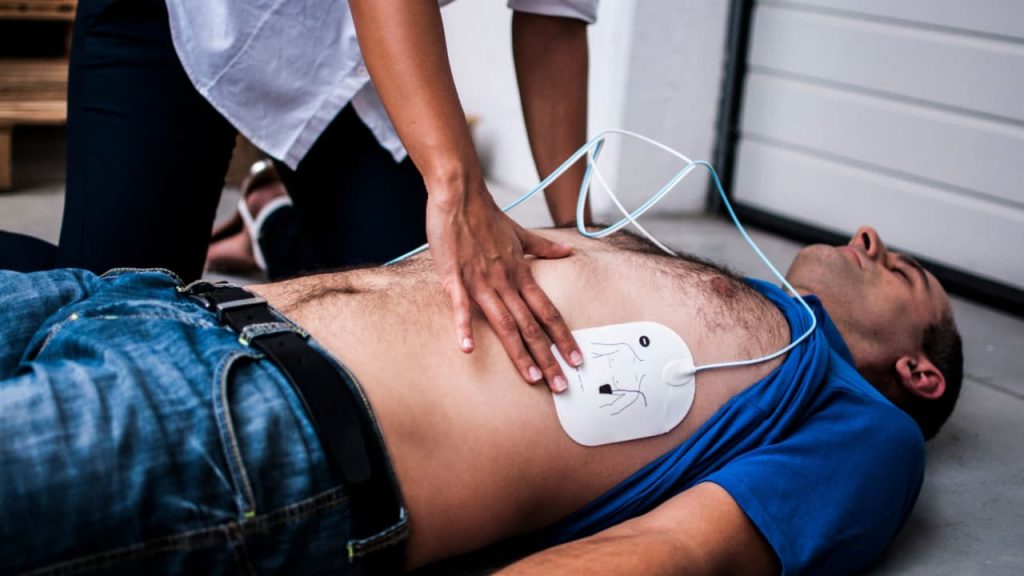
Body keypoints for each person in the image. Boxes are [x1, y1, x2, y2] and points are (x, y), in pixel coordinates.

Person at [0, 224, 962, 575]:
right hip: (141, 298)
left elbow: (670, 553)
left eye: (905, 271)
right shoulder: (727, 286)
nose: (871, 237)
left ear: (918, 371)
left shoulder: (865, 427)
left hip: (245, 426)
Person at [60, 0, 597, 392]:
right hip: (177, 16)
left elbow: (553, 22)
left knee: (427, 324)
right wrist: (458, 191)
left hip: (340, 44)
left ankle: (270, 220)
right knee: (117, 317)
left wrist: (585, 234)